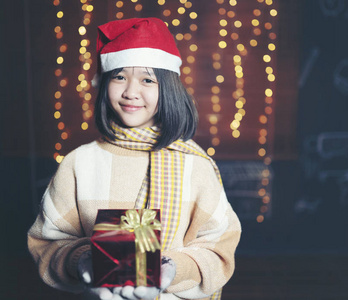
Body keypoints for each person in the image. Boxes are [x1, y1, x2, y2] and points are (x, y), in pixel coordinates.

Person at [27, 17, 241, 300]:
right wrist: (82, 261)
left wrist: (173, 270)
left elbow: (218, 248)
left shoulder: (195, 165)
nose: (130, 92)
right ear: (105, 83)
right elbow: (48, 242)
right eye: (119, 76)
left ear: (168, 89)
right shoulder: (78, 163)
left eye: (147, 79)